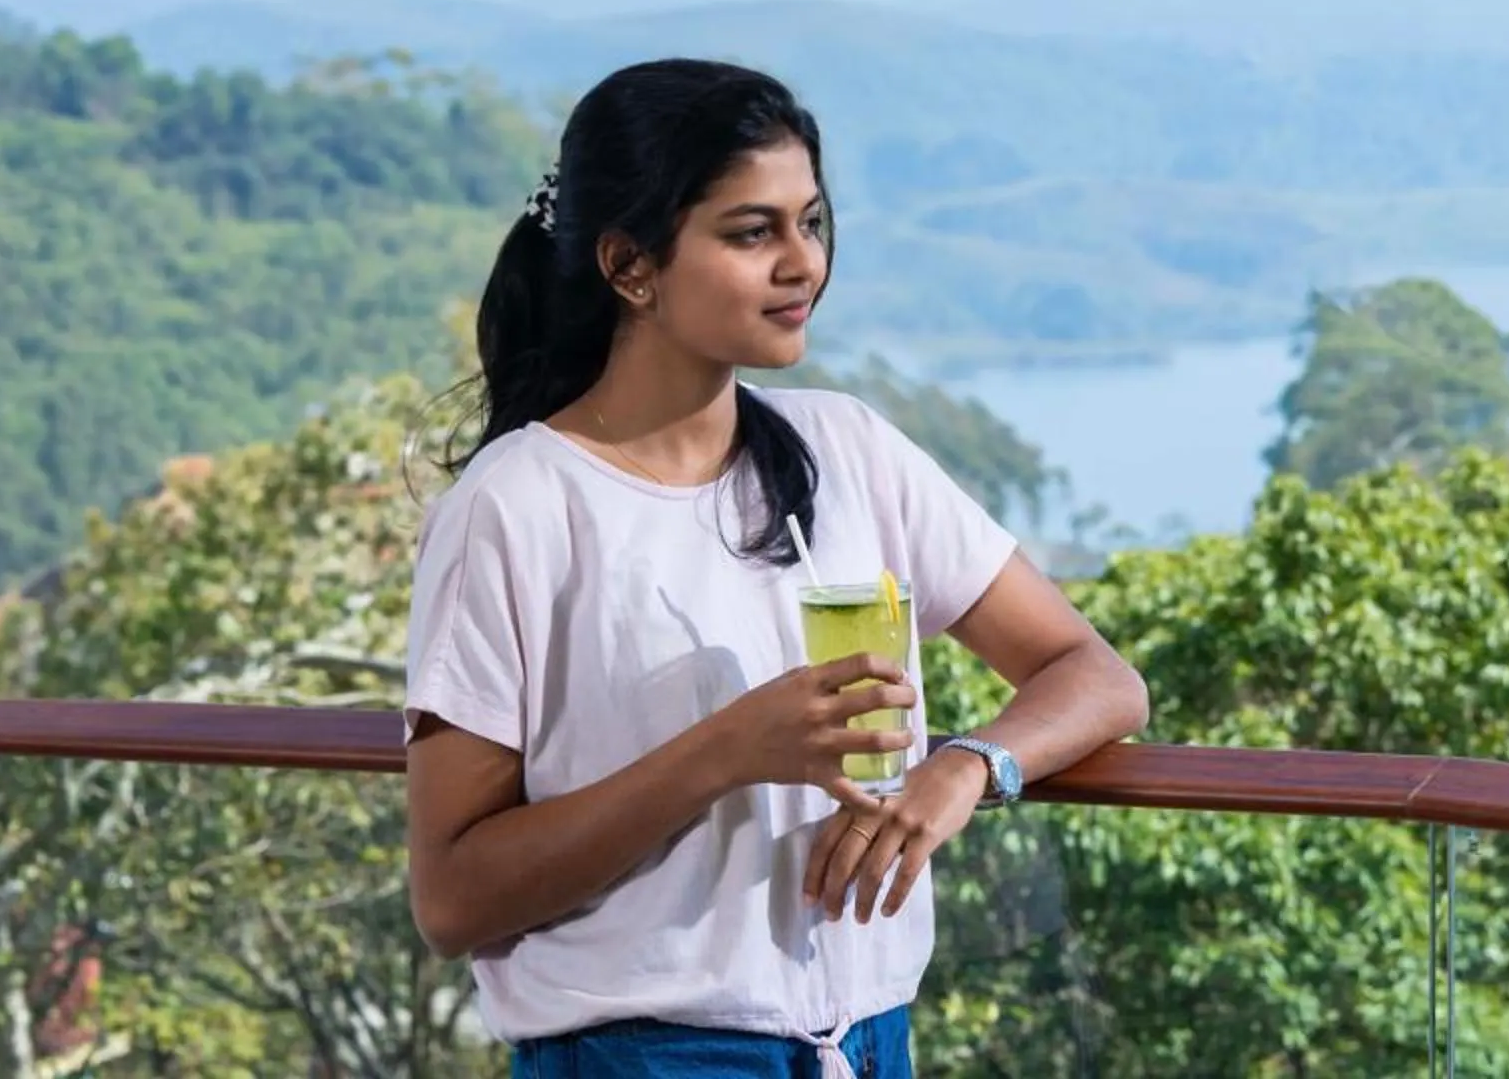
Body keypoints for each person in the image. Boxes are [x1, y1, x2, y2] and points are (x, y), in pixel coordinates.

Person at [402, 59, 1147, 1078]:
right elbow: (453, 896)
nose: (802, 263)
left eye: (812, 221)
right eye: (752, 232)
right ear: (630, 264)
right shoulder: (517, 504)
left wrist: (966, 767)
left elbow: (1096, 675)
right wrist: (726, 749)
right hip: (641, 1055)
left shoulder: (848, 450)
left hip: (869, 1044)